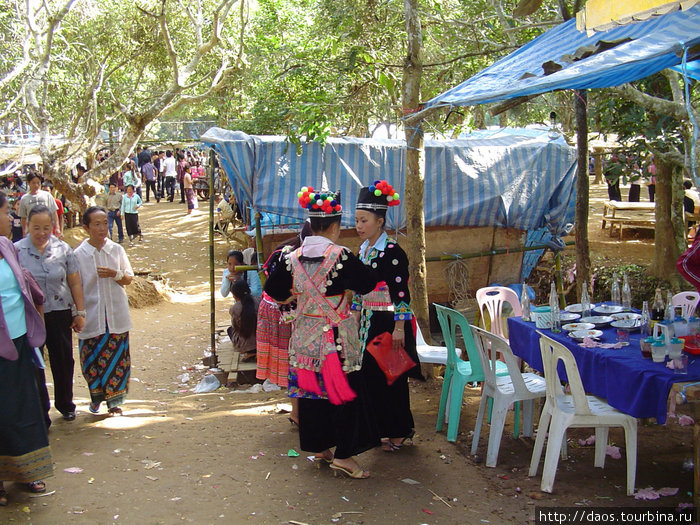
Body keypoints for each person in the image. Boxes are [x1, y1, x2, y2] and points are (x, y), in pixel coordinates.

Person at [264, 187, 379, 479]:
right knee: (344, 393)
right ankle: (345, 456)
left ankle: (320, 449)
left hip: (304, 338)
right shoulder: (341, 256)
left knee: (311, 392)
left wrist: (296, 298)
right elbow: (367, 283)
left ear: (311, 225)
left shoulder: (291, 257)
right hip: (335, 339)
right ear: (335, 226)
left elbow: (273, 290)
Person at [353, 180, 422, 452]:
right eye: (357, 220)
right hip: (368, 323)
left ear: (379, 221)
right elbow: (361, 288)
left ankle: (399, 432)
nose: (358, 226)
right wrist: (356, 316)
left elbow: (401, 293)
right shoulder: (364, 250)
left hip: (387, 323)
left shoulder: (392, 252)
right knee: (371, 378)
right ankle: (381, 429)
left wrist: (400, 329)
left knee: (391, 378)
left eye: (364, 220)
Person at [0, 191, 53, 505]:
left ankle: (27, 472)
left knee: (26, 409)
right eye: (7, 213)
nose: (10, 220)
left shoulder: (6, 246)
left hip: (20, 343)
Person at [15, 205, 86, 422]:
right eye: (36, 228)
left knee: (63, 360)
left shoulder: (63, 249)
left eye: (46, 227)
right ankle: (41, 411)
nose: (41, 233)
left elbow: (74, 282)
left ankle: (66, 404)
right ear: (27, 226)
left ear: (53, 226)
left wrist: (79, 312)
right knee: (35, 362)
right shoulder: (16, 250)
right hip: (31, 317)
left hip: (59, 312)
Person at [74, 206, 134, 416]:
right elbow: (75, 287)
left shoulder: (116, 250)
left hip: (115, 316)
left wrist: (114, 274)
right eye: (96, 224)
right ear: (86, 228)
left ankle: (114, 402)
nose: (102, 228)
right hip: (91, 317)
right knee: (90, 361)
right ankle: (96, 397)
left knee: (117, 359)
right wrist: (77, 314)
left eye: (104, 223)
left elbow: (128, 278)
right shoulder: (78, 255)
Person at [256, 222, 312, 425]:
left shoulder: (287, 251)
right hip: (281, 313)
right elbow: (276, 289)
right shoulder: (294, 256)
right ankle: (297, 413)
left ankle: (296, 412)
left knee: (294, 362)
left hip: (276, 309)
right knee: (294, 362)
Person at [18, 173, 59, 237]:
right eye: (33, 183)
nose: (36, 185)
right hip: (31, 231)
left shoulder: (47, 195)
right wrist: (24, 232)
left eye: (38, 183)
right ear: (28, 183)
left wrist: (57, 228)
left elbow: (54, 213)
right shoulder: (24, 199)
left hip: (46, 229)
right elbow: (23, 218)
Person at [229, 279, 260, 363]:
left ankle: (250, 352)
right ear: (249, 291)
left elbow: (235, 326)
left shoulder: (234, 308)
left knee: (230, 330)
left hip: (244, 344)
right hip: (261, 341)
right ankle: (256, 351)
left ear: (235, 296)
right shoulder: (259, 301)